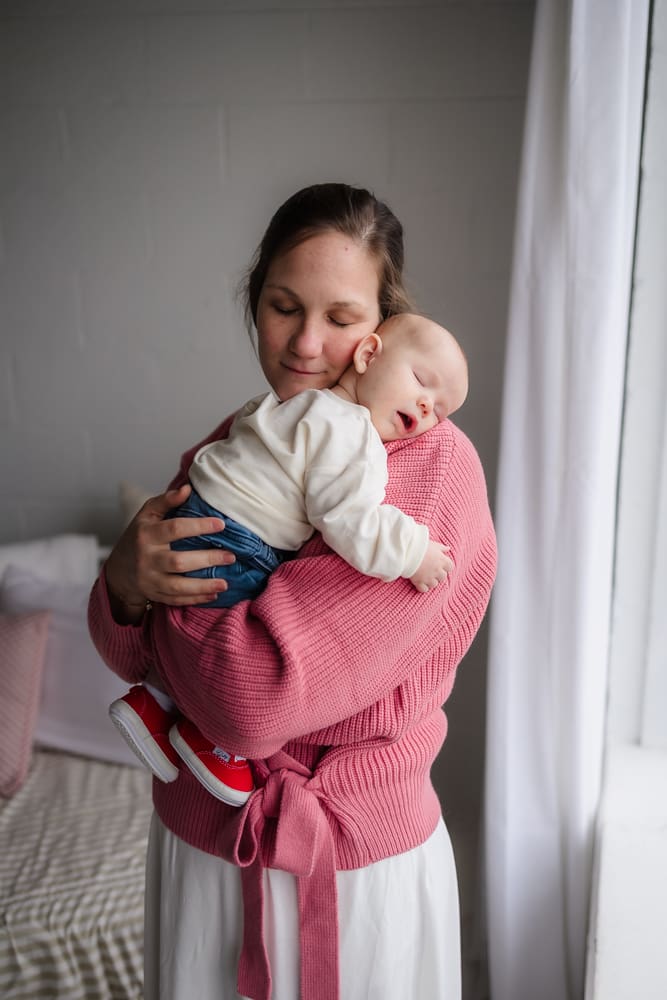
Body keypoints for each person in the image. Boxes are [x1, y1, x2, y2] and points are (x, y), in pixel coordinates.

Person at [88, 182, 497, 1000]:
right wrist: (124, 584)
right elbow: (120, 647)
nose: (305, 344)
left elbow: (252, 699)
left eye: (341, 318)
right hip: (201, 844)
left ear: (379, 329)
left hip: (349, 863)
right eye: (282, 307)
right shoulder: (247, 435)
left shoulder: (422, 465)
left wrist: (157, 596)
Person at [108, 312, 469, 808]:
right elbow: (348, 519)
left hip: (201, 514)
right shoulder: (351, 433)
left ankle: (154, 702)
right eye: (422, 382)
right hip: (233, 542)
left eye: (442, 411)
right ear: (368, 354)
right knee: (219, 644)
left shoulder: (297, 404)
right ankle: (213, 743)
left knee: (190, 620)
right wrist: (412, 553)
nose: (428, 409)